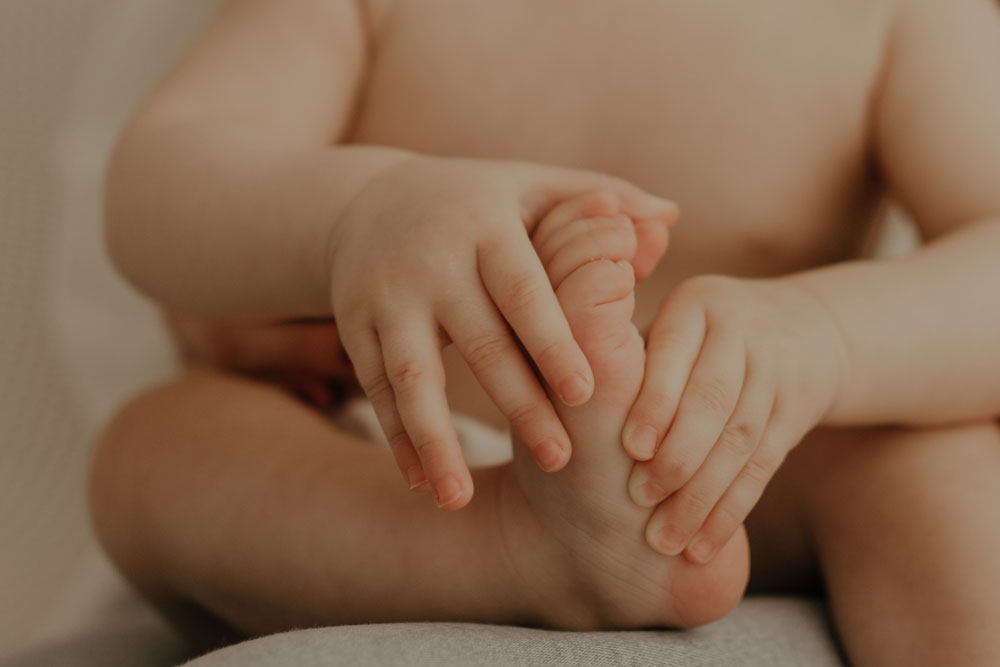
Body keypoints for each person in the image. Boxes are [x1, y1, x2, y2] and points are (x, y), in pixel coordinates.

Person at [90, 1, 1000, 664]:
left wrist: (826, 335)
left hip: (736, 461)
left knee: (934, 466)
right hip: (405, 457)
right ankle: (510, 549)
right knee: (153, 447)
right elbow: (161, 172)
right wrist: (356, 211)